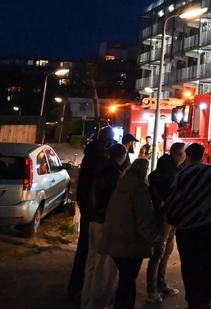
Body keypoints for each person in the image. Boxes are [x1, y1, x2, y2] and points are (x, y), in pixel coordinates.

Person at [165, 143, 211, 309]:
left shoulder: (182, 175)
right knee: (209, 263)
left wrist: (173, 220)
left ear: (188, 156)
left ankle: (193, 301)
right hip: (210, 228)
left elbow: (174, 203)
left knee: (190, 265)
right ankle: (206, 300)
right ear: (202, 155)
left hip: (188, 230)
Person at [100, 158, 163, 309]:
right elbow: (144, 219)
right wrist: (155, 237)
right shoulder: (140, 190)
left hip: (116, 241)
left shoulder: (120, 187)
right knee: (129, 282)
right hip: (131, 243)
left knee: (124, 280)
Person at [68, 125, 116, 305]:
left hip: (87, 208)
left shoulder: (89, 155)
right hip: (96, 211)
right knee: (96, 254)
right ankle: (91, 292)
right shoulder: (102, 158)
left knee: (84, 250)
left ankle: (77, 286)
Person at [80, 142, 128, 309]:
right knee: (103, 268)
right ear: (121, 156)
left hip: (93, 220)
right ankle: (96, 304)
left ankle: (86, 302)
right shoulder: (115, 173)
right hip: (105, 222)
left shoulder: (99, 170)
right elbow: (114, 201)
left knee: (91, 265)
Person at [146, 141, 185, 303]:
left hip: (173, 215)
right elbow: (151, 181)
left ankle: (161, 283)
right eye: (182, 153)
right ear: (178, 154)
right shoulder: (166, 169)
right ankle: (151, 289)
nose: (184, 156)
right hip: (164, 216)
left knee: (167, 251)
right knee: (159, 251)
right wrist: (159, 201)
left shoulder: (177, 169)